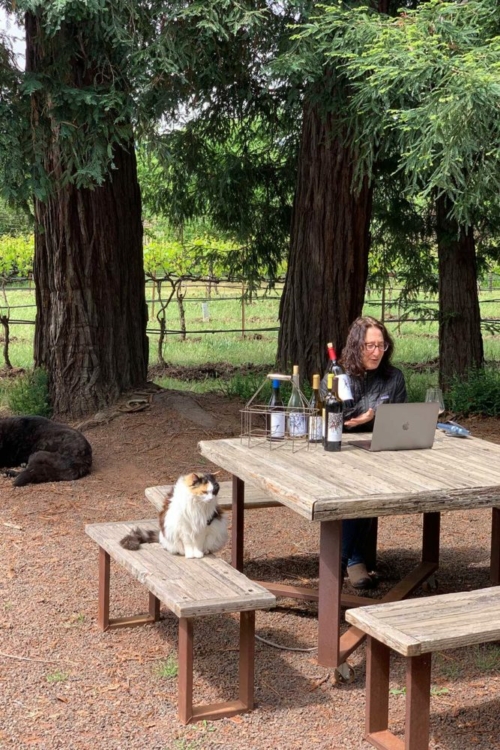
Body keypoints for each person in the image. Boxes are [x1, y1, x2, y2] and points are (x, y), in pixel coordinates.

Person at [323, 315, 407, 589]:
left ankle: (350, 559)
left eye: (381, 346)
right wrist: (358, 420)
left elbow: (401, 420)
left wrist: (370, 421)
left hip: (380, 451)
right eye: (369, 345)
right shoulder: (339, 374)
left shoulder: (394, 377)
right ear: (357, 347)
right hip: (340, 451)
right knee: (358, 487)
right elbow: (330, 415)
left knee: (374, 484)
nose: (375, 352)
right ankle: (350, 559)